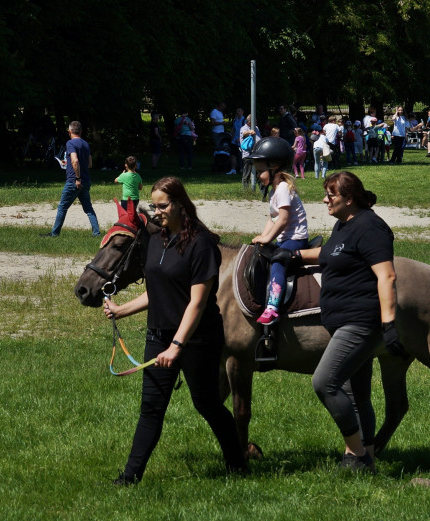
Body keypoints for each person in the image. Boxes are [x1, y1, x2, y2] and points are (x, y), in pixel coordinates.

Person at [102, 177, 248, 484]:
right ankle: (129, 478)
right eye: (154, 206)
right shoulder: (157, 241)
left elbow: (197, 302)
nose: (157, 212)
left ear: (181, 204)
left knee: (207, 404)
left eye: (163, 205)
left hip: (197, 339)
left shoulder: (202, 244)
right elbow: (158, 289)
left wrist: (177, 345)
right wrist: (121, 310)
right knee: (151, 409)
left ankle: (237, 464)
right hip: (158, 336)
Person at [272, 171, 406, 472]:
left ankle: (355, 454)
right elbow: (331, 254)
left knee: (325, 382)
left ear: (349, 197)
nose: (324, 200)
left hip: (361, 322)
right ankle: (368, 459)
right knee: (358, 393)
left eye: (330, 195)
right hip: (342, 320)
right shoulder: (345, 224)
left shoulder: (371, 227)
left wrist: (389, 325)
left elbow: (387, 275)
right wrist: (296, 256)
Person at [248, 137, 309, 324]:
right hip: (284, 237)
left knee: (278, 262)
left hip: (296, 238)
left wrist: (268, 239)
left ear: (274, 166)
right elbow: (272, 218)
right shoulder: (274, 190)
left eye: (260, 172)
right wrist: (263, 237)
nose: (258, 176)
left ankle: (272, 307)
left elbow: (282, 220)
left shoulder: (282, 187)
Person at [40, 121, 101, 237]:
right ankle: (96, 233)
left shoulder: (70, 143)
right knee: (88, 208)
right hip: (86, 181)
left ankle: (54, 233)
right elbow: (89, 164)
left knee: (62, 207)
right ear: (81, 131)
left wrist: (77, 178)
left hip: (74, 181)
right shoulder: (86, 144)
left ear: (69, 131)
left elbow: (75, 160)